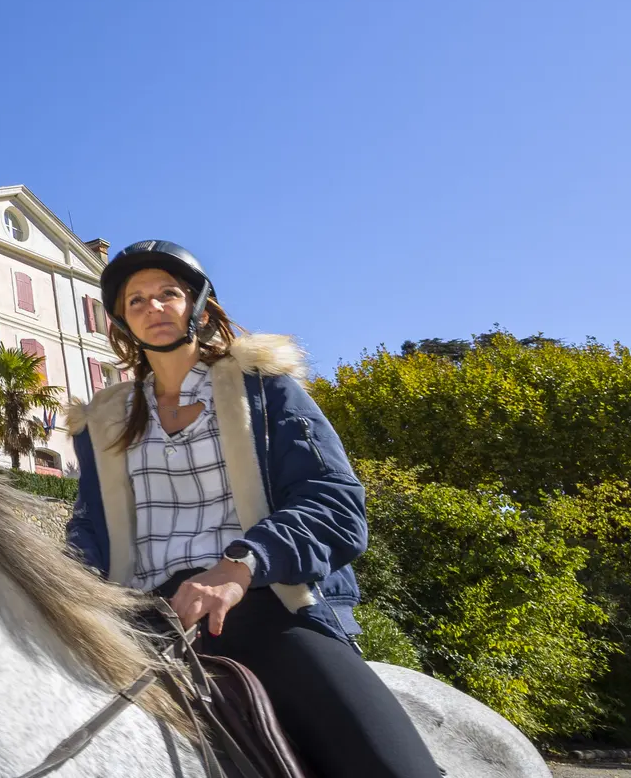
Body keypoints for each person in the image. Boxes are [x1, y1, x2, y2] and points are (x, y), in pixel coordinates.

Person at [65, 240, 438, 778]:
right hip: (141, 622)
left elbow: (335, 503)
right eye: (137, 300)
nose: (154, 307)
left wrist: (237, 565)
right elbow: (87, 540)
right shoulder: (101, 424)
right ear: (123, 321)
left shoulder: (265, 391)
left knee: (394, 769)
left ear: (198, 306)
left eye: (168, 293)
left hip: (266, 602)